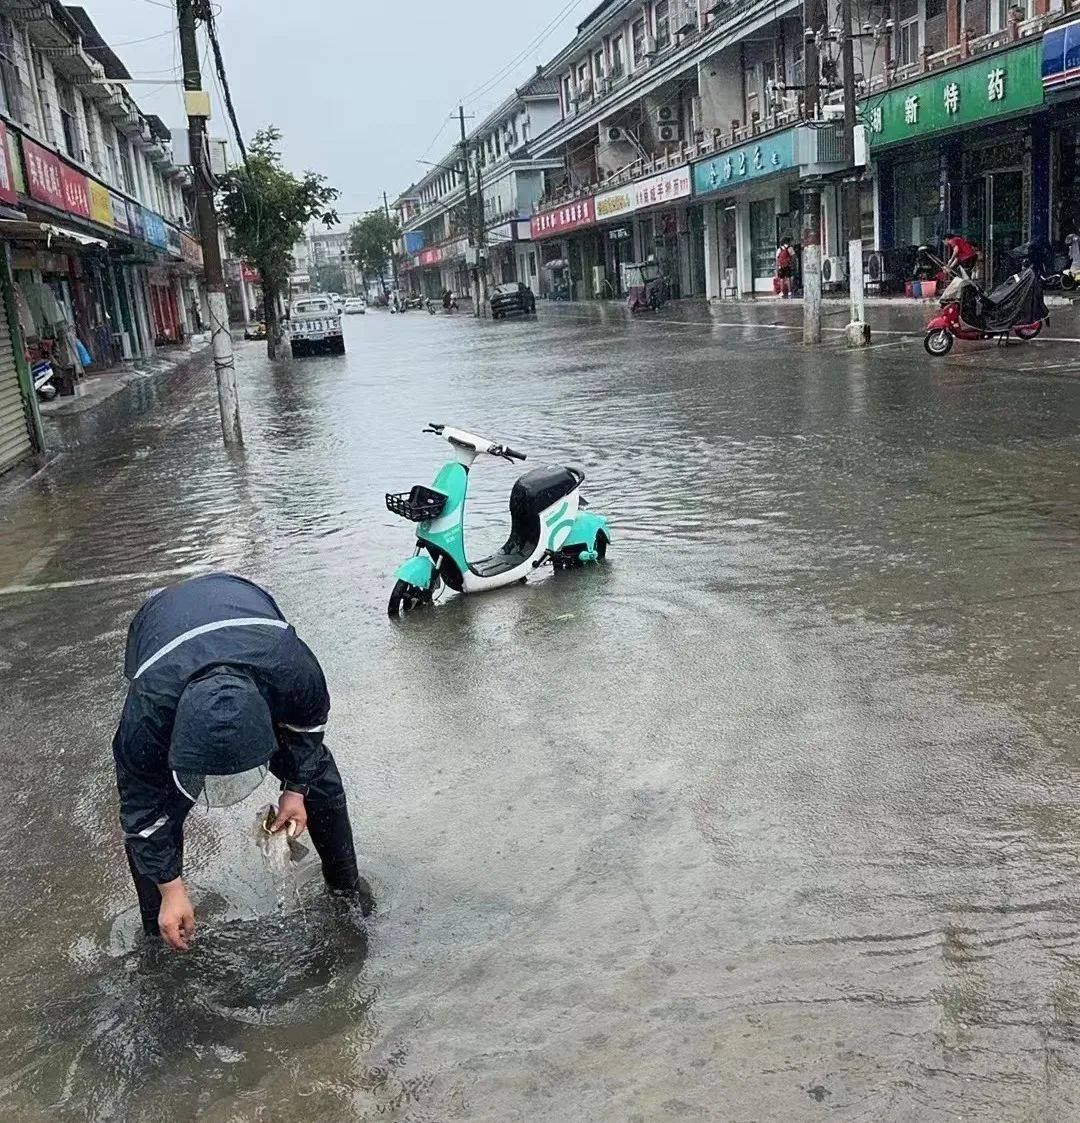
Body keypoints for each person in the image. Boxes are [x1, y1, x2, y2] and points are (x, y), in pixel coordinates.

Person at [113, 572, 372, 950]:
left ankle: (346, 889)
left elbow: (308, 730)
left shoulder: (293, 669)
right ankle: (161, 931)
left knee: (320, 777)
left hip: (245, 606)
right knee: (158, 812)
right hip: (157, 623)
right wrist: (171, 887)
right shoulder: (147, 714)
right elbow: (142, 811)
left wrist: (296, 789)